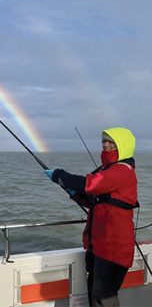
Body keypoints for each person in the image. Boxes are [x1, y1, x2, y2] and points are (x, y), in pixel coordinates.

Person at [45, 127, 138, 307]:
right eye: (104, 141)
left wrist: (59, 175)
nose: (106, 144)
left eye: (111, 141)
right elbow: (95, 200)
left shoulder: (122, 170)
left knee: (103, 298)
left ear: (123, 146)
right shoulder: (106, 169)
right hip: (99, 245)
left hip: (113, 248)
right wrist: (75, 193)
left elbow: (89, 184)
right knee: (94, 296)